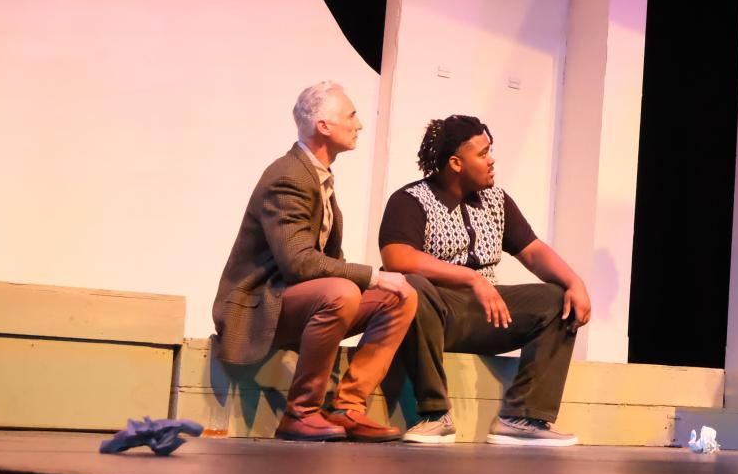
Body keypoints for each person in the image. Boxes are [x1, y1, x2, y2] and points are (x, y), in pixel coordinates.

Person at [211, 82, 417, 441]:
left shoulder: (318, 178)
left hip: (298, 302)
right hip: (262, 306)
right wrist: (371, 276)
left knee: (401, 294)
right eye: (351, 115)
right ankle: (301, 412)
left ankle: (347, 407)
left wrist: (376, 281)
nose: (360, 124)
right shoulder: (288, 177)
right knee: (342, 291)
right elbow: (299, 265)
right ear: (324, 126)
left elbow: (320, 263)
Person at [381, 115, 593, 446]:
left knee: (557, 299)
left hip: (489, 314)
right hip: (438, 312)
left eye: (490, 151)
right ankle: (436, 415)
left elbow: (533, 252)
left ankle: (522, 417)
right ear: (455, 162)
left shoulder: (497, 201)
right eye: (483, 153)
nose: (491, 160)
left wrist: (575, 282)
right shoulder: (411, 199)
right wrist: (469, 278)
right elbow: (397, 258)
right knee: (412, 285)